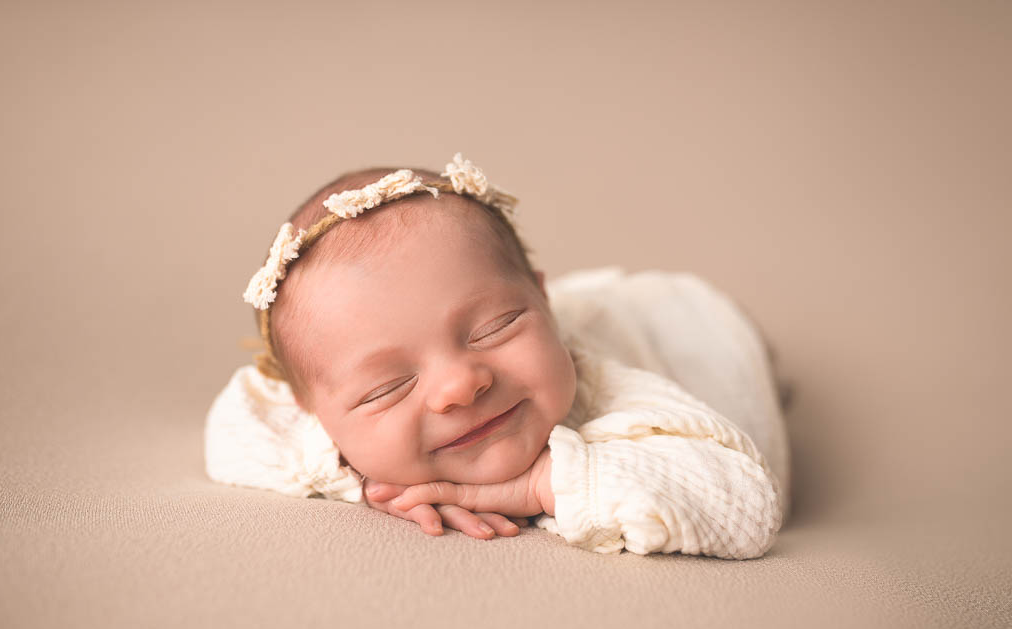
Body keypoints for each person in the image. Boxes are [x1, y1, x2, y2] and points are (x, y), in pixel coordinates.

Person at [205, 154, 789, 559]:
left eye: (495, 328)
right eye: (388, 387)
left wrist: (541, 485)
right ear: (312, 413)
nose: (459, 386)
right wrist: (364, 477)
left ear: (542, 303)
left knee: (738, 349)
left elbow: (744, 505)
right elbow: (231, 431)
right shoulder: (312, 404)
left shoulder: (613, 392)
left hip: (684, 326)